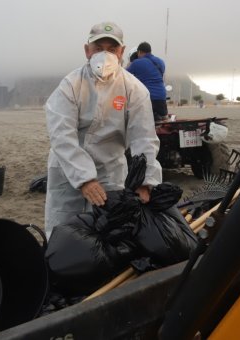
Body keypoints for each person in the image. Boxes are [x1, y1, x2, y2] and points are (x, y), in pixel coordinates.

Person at [44, 22, 163, 238]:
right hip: (67, 169)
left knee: (108, 233)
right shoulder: (70, 85)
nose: (105, 55)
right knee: (62, 231)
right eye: (99, 48)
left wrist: (144, 182)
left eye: (112, 49)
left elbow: (144, 138)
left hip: (110, 170)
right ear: (87, 50)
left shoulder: (135, 89)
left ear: (122, 52)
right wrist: (84, 178)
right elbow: (62, 135)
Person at [126, 42, 169, 122]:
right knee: (163, 118)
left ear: (139, 52)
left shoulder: (136, 63)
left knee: (139, 120)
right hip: (161, 97)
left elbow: (123, 75)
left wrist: (129, 64)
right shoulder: (161, 62)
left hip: (147, 98)